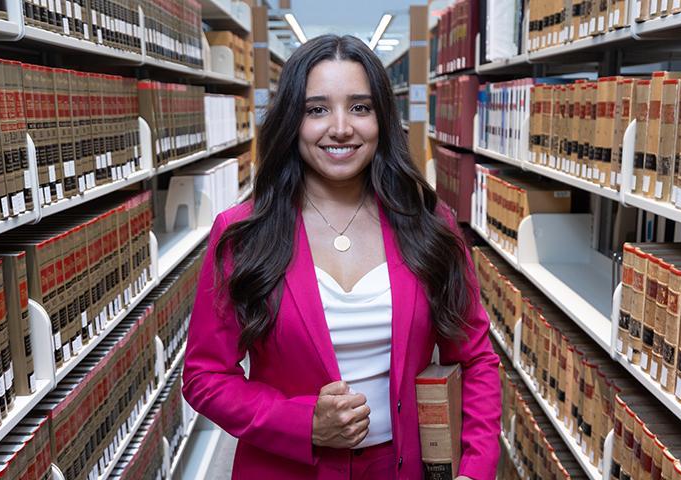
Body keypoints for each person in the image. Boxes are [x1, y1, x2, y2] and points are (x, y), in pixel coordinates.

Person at [182, 34, 501, 480]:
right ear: (292, 120)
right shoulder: (244, 233)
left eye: (359, 107)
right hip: (286, 468)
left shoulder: (428, 223)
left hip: (402, 468)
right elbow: (206, 377)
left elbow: (476, 357)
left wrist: (475, 468)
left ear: (382, 119)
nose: (340, 128)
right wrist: (304, 422)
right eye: (316, 109)